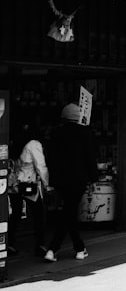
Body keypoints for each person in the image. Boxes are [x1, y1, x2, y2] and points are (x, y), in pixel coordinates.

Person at [43, 103, 98, 262]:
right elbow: (90, 157)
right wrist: (93, 178)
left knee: (68, 211)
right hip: (78, 179)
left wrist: (51, 179)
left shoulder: (56, 133)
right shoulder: (84, 132)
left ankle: (67, 248)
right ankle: (60, 248)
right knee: (69, 211)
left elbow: (50, 157)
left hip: (60, 179)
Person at [9, 123, 49, 257]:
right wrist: (47, 185)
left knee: (15, 213)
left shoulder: (16, 142)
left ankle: (9, 243)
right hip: (28, 184)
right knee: (38, 214)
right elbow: (40, 166)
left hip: (14, 184)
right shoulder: (33, 144)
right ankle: (40, 244)